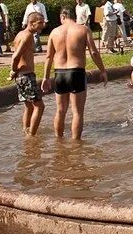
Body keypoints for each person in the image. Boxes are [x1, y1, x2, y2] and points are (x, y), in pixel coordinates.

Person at [41, 8, 108, 140]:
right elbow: (94, 53)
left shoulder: (54, 32)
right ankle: (76, 144)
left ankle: (58, 141)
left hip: (59, 73)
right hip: (76, 72)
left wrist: (46, 77)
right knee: (77, 112)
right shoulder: (83, 30)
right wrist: (102, 70)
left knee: (60, 110)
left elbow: (49, 57)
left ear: (63, 16)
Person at [8, 12, 46, 135]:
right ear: (31, 23)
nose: (43, 25)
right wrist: (13, 70)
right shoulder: (27, 36)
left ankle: (26, 131)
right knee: (39, 106)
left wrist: (14, 72)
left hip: (21, 76)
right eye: (40, 22)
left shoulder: (20, 34)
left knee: (28, 106)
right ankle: (32, 136)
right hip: (26, 76)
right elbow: (15, 57)